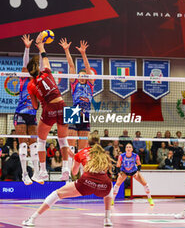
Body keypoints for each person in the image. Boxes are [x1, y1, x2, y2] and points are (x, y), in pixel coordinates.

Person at [22, 142, 113, 227]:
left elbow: (74, 172)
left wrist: (75, 158)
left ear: (88, 144)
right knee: (109, 189)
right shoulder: (104, 155)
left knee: (56, 194)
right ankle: (107, 219)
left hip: (87, 183)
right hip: (104, 186)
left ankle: (32, 219)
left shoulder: (81, 152)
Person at [27, 32, 71, 182]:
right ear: (38, 69)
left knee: (41, 141)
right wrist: (41, 46)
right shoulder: (47, 72)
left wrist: (35, 95)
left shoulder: (30, 85)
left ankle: (43, 172)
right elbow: (45, 59)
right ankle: (66, 170)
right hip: (63, 105)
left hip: (49, 109)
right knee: (63, 140)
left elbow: (34, 106)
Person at [59, 38, 94, 175]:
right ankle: (66, 169)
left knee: (82, 150)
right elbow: (72, 67)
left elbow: (87, 68)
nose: (82, 76)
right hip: (73, 112)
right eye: (80, 75)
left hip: (86, 114)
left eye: (84, 75)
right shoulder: (74, 83)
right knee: (70, 146)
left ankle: (81, 174)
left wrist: (83, 53)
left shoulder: (90, 84)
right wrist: (67, 50)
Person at [14, 34, 39, 185]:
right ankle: (24, 174)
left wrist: (42, 49)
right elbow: (25, 63)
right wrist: (27, 48)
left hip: (33, 115)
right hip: (21, 114)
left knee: (34, 145)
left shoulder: (37, 80)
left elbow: (42, 66)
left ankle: (36, 172)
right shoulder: (24, 77)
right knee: (23, 144)